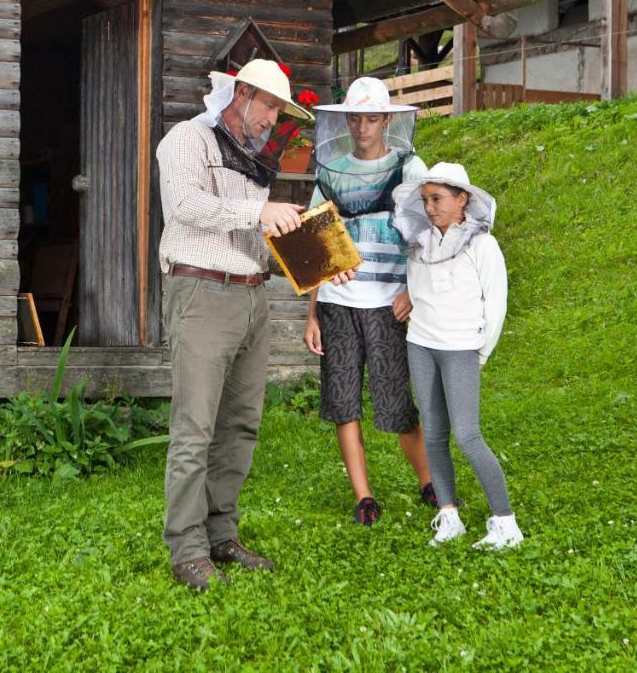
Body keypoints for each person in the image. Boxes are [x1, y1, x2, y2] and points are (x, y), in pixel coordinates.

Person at [157, 58, 313, 591]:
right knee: (195, 427)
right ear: (242, 93)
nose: (273, 118)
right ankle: (187, 548)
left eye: (279, 110)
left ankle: (221, 534)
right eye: (270, 105)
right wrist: (259, 213)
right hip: (201, 291)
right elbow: (184, 204)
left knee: (241, 423)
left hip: (252, 295)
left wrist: (322, 266)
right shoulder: (187, 138)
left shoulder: (251, 157)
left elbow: (265, 229)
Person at [302, 76, 435, 526]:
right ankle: (363, 496)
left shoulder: (409, 169)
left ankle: (428, 482)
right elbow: (316, 241)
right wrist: (312, 312)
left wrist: (413, 290)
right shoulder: (331, 170)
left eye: (371, 118)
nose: (361, 127)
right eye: (354, 118)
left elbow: (429, 234)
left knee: (396, 398)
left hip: (388, 301)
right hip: (339, 301)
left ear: (388, 120)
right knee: (343, 400)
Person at [391, 162, 522, 550]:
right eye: (426, 199)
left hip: (461, 347)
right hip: (421, 344)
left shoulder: (482, 245)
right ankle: (449, 516)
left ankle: (505, 523)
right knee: (433, 433)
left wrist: (483, 350)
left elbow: (495, 301)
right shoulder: (421, 245)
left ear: (462, 199)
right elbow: (416, 291)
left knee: (467, 435)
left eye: (438, 198)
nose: (430, 207)